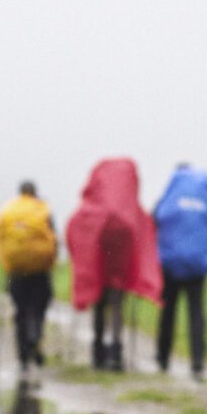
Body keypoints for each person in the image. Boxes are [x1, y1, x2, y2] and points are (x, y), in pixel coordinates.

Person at [66, 159, 163, 371]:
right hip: (122, 250)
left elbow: (74, 234)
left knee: (99, 301)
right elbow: (147, 238)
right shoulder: (133, 214)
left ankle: (98, 351)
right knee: (117, 301)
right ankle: (116, 351)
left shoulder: (90, 211)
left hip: (99, 251)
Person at [152, 163, 207, 378]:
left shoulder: (171, 193)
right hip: (197, 264)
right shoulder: (203, 195)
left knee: (168, 309)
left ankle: (163, 359)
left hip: (170, 262)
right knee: (196, 310)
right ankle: (198, 362)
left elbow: (156, 218)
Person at [0, 181, 58, 370]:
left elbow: (1, 239)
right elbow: (53, 238)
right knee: (39, 308)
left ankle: (23, 355)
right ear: (35, 192)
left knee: (21, 310)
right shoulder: (42, 209)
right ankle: (35, 337)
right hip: (40, 270)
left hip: (16, 271)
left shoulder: (8, 210)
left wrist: (7, 265)